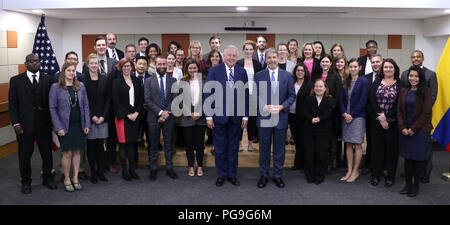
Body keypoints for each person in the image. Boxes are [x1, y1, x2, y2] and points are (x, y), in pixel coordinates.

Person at [9, 54, 57, 194]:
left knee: (47, 154)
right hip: (24, 125)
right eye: (31, 61)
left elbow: (52, 102)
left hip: (44, 124)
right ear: (26, 63)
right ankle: (26, 181)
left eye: (37, 61)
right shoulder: (16, 81)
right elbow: (13, 105)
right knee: (24, 155)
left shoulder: (48, 79)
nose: (35, 63)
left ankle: (47, 178)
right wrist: (16, 123)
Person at [205, 45, 249, 187]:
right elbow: (208, 93)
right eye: (229, 55)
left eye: (234, 56)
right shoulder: (214, 70)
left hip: (236, 118)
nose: (231, 58)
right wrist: (208, 116)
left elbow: (245, 95)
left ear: (237, 57)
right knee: (220, 147)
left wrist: (245, 116)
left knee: (233, 147)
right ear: (224, 56)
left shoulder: (242, 72)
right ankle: (221, 174)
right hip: (218, 117)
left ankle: (232, 174)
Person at [254, 48, 296, 188]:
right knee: (264, 149)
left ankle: (278, 175)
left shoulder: (287, 76)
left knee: (279, 149)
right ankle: (263, 175)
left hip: (281, 117)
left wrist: (282, 107)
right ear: (265, 60)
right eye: (269, 58)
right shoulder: (259, 75)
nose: (272, 60)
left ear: (278, 59)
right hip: (264, 117)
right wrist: (264, 106)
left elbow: (291, 96)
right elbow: (255, 95)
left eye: (274, 57)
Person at [49, 62, 90, 192]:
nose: (72, 73)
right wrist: (58, 127)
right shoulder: (55, 87)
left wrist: (87, 123)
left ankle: (75, 177)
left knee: (78, 151)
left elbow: (86, 106)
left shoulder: (80, 86)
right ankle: (67, 178)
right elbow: (52, 108)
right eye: (69, 70)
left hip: (78, 125)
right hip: (64, 126)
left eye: (73, 70)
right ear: (63, 72)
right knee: (67, 153)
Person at [82, 36, 119, 174]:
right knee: (94, 142)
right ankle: (95, 167)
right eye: (99, 45)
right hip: (92, 110)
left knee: (110, 139)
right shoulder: (88, 64)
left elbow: (115, 86)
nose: (102, 47)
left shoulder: (114, 62)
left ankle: (109, 163)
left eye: (104, 44)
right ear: (95, 47)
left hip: (108, 108)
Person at [400, 50, 438, 183]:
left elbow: (433, 96)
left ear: (423, 58)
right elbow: (403, 95)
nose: (416, 59)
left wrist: (420, 112)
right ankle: (409, 173)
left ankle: (424, 175)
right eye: (413, 57)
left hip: (423, 119)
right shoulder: (405, 74)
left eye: (418, 56)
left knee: (424, 150)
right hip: (408, 118)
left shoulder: (431, 74)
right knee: (409, 148)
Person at [397, 66, 432, 197]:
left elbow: (426, 113)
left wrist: (413, 129)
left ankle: (416, 185)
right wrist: (402, 128)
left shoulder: (426, 91)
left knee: (417, 160)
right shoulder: (404, 90)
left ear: (420, 78)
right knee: (407, 159)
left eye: (416, 76)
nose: (413, 78)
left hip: (420, 131)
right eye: (411, 76)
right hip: (405, 130)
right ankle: (407, 184)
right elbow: (399, 110)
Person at [368, 58, 401, 188]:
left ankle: (390, 176)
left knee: (391, 151)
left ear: (395, 69)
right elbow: (372, 100)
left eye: (390, 67)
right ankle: (375, 175)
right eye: (386, 67)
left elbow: (399, 104)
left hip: (392, 123)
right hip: (376, 122)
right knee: (377, 149)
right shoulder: (376, 82)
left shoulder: (400, 84)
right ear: (382, 69)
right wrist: (381, 118)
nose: (388, 69)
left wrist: (386, 116)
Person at [145, 56, 179, 181]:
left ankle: (169, 167)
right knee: (153, 144)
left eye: (164, 64)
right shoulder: (148, 81)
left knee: (168, 144)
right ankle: (153, 169)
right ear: (156, 65)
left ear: (167, 65)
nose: (162, 66)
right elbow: (147, 100)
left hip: (169, 118)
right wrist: (160, 112)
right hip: (153, 117)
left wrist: (165, 114)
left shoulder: (173, 80)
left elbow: (175, 98)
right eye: (159, 64)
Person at [112, 58, 143, 181]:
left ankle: (132, 170)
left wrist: (136, 112)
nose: (126, 68)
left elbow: (141, 98)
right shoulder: (116, 82)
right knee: (123, 145)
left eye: (128, 66)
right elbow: (116, 101)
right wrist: (127, 115)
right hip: (122, 118)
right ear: (120, 67)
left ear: (132, 67)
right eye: (124, 66)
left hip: (135, 118)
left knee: (132, 144)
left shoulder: (136, 80)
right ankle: (124, 170)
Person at [80, 54, 110, 184]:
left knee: (101, 147)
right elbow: (83, 101)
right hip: (89, 118)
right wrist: (92, 116)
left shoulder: (104, 79)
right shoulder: (82, 80)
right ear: (87, 65)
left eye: (96, 63)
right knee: (91, 147)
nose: (93, 65)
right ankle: (92, 171)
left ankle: (100, 171)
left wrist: (103, 116)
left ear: (99, 64)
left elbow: (108, 99)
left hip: (103, 118)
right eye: (91, 63)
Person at [339, 58, 369, 183]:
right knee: (348, 144)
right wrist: (344, 113)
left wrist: (352, 114)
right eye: (350, 66)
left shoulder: (364, 82)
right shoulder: (345, 81)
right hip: (346, 117)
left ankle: (355, 171)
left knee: (357, 144)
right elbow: (341, 100)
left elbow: (363, 100)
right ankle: (349, 170)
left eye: (355, 66)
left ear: (360, 68)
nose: (353, 69)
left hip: (358, 117)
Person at [178, 59, 207, 177]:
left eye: (194, 68)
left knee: (200, 144)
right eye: (190, 68)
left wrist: (199, 112)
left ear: (198, 69)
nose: (192, 70)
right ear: (186, 69)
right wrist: (190, 113)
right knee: (189, 144)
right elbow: (179, 101)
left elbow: (208, 100)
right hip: (187, 117)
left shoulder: (204, 82)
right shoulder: (182, 82)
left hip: (201, 117)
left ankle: (200, 166)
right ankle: (191, 166)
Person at [303, 79, 334, 184]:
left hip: (323, 131)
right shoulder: (308, 99)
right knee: (309, 153)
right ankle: (309, 175)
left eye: (321, 86)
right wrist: (311, 118)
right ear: (314, 88)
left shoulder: (329, 100)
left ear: (325, 88)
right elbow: (305, 112)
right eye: (316, 86)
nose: (318, 88)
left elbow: (329, 113)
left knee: (321, 154)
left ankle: (320, 175)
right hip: (309, 130)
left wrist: (320, 119)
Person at [236, 40, 263, 152]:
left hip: (253, 95)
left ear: (253, 50)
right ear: (243, 50)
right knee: (240, 119)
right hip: (241, 95)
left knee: (252, 120)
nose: (248, 51)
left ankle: (250, 143)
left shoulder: (257, 64)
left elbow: (260, 80)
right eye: (246, 49)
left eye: (250, 49)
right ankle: (240, 143)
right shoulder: (239, 63)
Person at [319, 54, 343, 173]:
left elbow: (338, 95)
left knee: (332, 139)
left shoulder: (335, 76)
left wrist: (330, 108)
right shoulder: (316, 76)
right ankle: (321, 162)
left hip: (332, 113)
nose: (325, 64)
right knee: (321, 139)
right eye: (323, 62)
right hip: (318, 112)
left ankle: (330, 163)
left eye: (327, 62)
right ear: (320, 63)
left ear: (330, 63)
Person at [362, 54, 383, 175]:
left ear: (381, 62)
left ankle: (383, 166)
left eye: (377, 62)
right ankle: (369, 165)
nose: (375, 64)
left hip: (385, 116)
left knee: (383, 142)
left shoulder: (387, 77)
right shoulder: (366, 78)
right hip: (370, 115)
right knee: (370, 141)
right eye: (373, 62)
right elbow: (365, 97)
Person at [290, 63, 313, 171]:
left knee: (304, 141)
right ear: (295, 72)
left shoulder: (309, 85)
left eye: (302, 70)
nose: (300, 72)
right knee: (297, 140)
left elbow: (311, 102)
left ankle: (304, 165)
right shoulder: (291, 83)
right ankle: (297, 164)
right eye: (298, 70)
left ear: (305, 72)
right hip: (292, 116)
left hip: (303, 118)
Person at [203, 49, 224, 154]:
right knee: (209, 123)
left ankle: (216, 147)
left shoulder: (223, 70)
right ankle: (210, 141)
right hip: (207, 98)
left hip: (220, 101)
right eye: (213, 56)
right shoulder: (205, 71)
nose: (215, 58)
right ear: (209, 58)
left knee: (219, 125)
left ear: (220, 58)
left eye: (217, 56)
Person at [134, 56, 152, 166]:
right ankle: (134, 161)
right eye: (139, 63)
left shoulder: (151, 78)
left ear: (147, 66)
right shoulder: (129, 77)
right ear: (135, 64)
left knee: (150, 138)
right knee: (135, 138)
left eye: (144, 64)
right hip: (134, 113)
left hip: (148, 113)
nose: (141, 66)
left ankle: (151, 161)